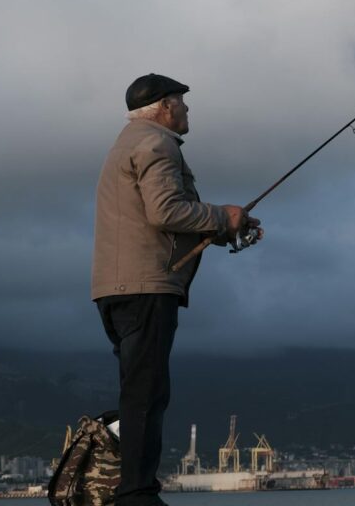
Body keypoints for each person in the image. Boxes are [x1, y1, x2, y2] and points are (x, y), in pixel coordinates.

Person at [91, 73, 261, 506]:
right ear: (164, 107)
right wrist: (223, 216)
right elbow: (165, 210)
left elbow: (163, 215)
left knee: (137, 391)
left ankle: (127, 485)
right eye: (182, 102)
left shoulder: (125, 144)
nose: (187, 110)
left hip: (118, 287)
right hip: (146, 287)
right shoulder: (156, 144)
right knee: (147, 394)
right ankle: (137, 494)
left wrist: (228, 228)